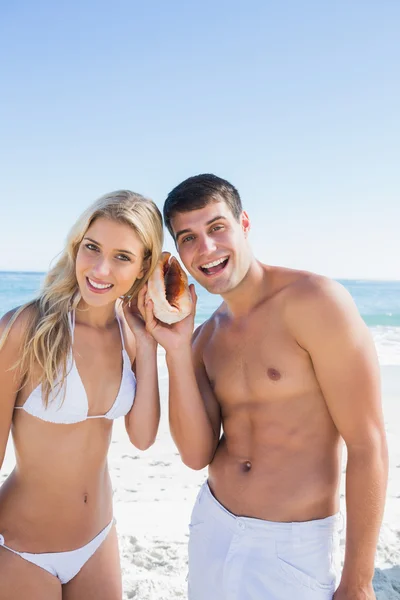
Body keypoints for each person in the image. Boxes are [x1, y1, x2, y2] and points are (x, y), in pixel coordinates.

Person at [143, 174, 388, 600]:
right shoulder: (204, 338)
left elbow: (369, 445)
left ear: (244, 224)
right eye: (188, 238)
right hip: (213, 528)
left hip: (292, 545)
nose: (206, 248)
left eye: (217, 228)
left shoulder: (315, 302)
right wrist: (176, 350)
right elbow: (195, 454)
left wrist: (359, 581)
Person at [0, 190, 163, 600]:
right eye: (92, 248)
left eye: (122, 256)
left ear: (144, 265)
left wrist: (148, 345)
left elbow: (142, 438)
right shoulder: (27, 327)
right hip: (24, 548)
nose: (100, 268)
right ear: (77, 245)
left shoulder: (130, 334)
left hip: (98, 539)